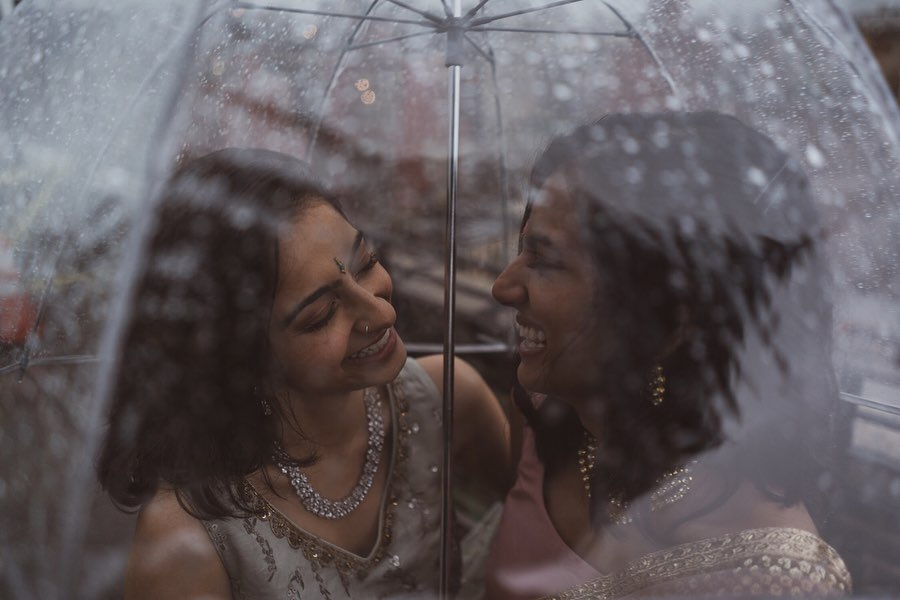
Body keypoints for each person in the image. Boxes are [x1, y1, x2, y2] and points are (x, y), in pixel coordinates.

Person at [96, 148, 510, 599]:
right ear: (242, 355)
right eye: (321, 315)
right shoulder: (185, 541)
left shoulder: (448, 397)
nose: (380, 310)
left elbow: (552, 535)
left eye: (366, 262)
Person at [485, 112, 851, 598]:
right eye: (520, 248)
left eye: (545, 260)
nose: (502, 287)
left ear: (674, 317)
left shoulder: (772, 575)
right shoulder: (545, 423)